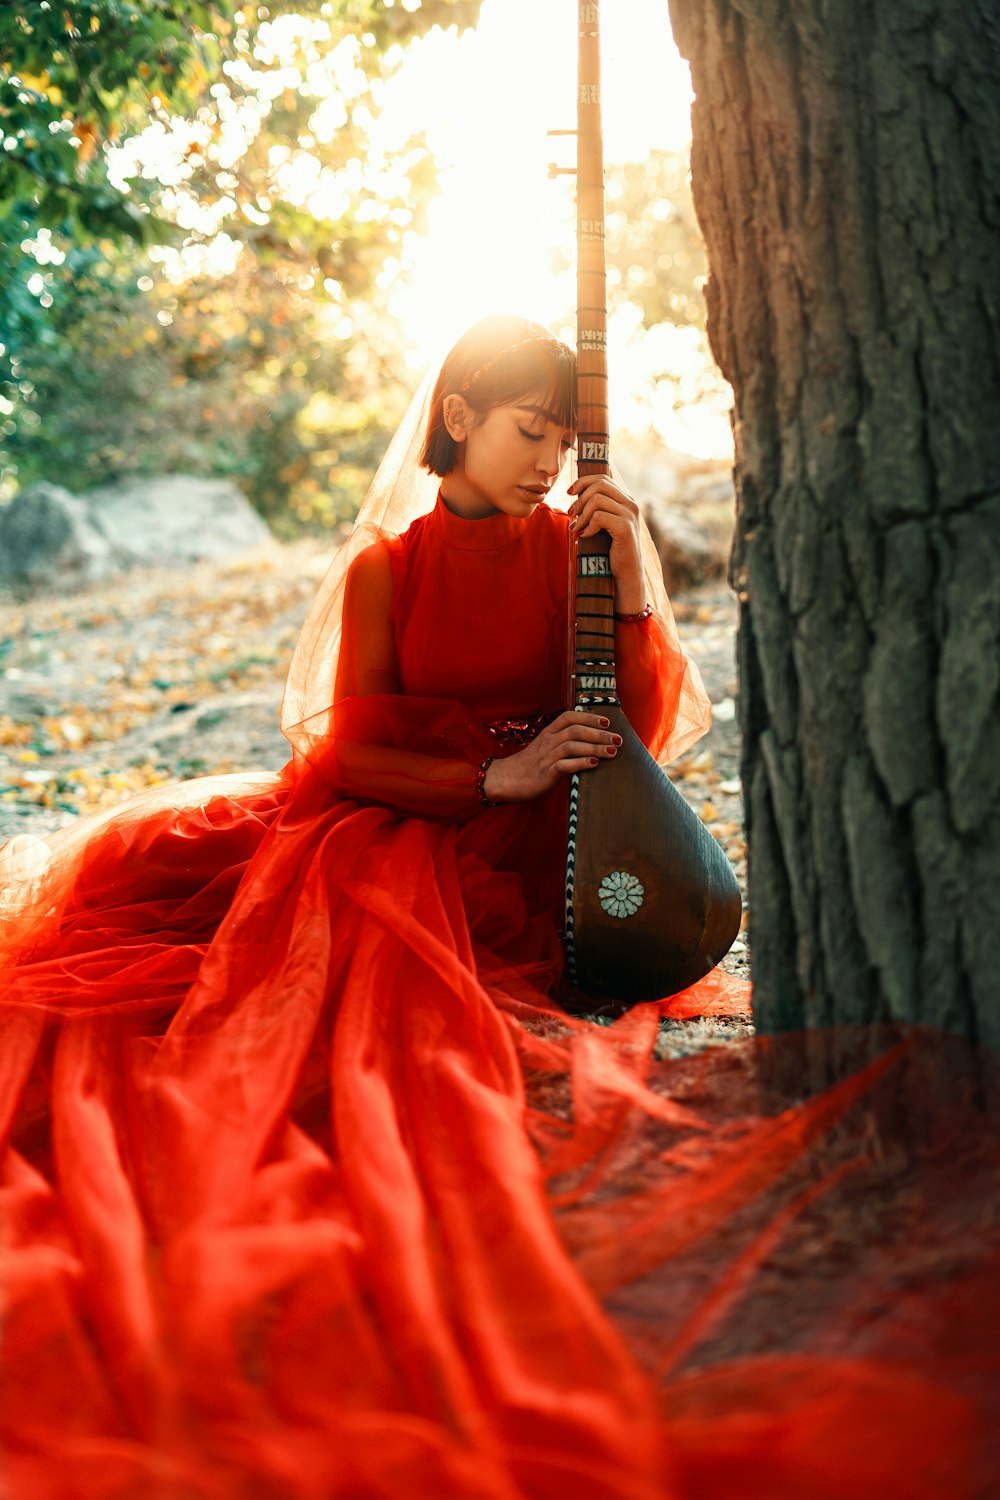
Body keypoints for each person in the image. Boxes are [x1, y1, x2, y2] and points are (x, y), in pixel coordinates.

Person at [0, 316, 995, 1499]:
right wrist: (493, 778)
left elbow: (635, 726)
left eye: (565, 439)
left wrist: (626, 584)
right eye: (530, 430)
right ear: (460, 414)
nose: (546, 460)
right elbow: (349, 752)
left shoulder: (564, 548)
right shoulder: (387, 565)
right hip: (402, 822)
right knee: (342, 995)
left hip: (546, 840)